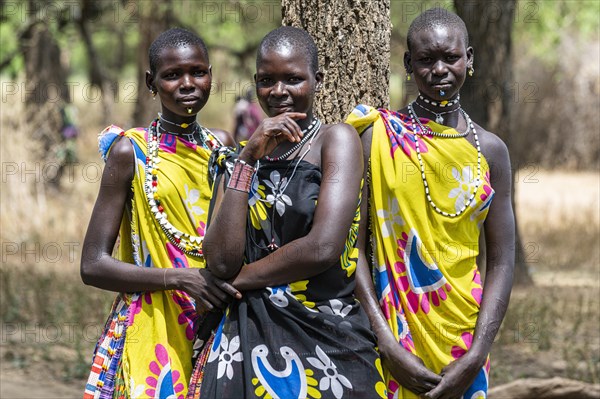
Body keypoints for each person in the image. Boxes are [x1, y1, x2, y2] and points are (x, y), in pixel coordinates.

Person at [186, 26, 387, 399]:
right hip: (248, 333)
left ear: (317, 80)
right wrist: (246, 160)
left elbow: (323, 247)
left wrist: (241, 281)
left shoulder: (336, 141)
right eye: (267, 81)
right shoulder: (238, 159)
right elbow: (220, 262)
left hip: (327, 331)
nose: (279, 92)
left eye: (293, 79)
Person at [346, 8, 515, 399]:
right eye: (426, 60)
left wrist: (477, 352)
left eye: (451, 58)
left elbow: (503, 260)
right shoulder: (377, 138)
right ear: (408, 64)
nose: (439, 69)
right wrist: (386, 341)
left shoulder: (490, 151)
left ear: (469, 59)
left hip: (464, 335)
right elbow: (350, 249)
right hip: (390, 335)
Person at [80, 28, 240, 399]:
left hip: (215, 323)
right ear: (152, 83)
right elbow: (92, 265)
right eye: (172, 75)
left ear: (211, 75)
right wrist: (179, 278)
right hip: (152, 324)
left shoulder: (224, 147)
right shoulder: (130, 152)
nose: (188, 84)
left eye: (198, 72)